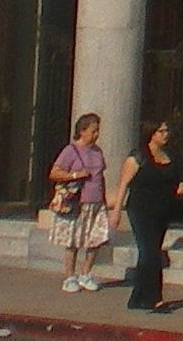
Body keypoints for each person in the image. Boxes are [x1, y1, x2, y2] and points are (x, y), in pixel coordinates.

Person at [111, 119, 183, 312]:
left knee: (149, 253)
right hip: (140, 210)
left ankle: (137, 298)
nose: (165, 134)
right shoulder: (138, 157)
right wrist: (116, 212)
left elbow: (179, 179)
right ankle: (155, 298)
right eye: (161, 131)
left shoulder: (171, 156)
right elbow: (123, 185)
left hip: (162, 211)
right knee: (151, 253)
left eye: (166, 130)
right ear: (151, 134)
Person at [46, 113, 111, 292]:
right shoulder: (70, 151)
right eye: (93, 131)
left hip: (96, 202)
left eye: (97, 131)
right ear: (82, 131)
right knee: (73, 241)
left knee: (95, 239)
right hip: (78, 203)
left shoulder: (98, 152)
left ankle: (86, 273)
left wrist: (105, 200)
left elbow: (101, 177)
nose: (96, 135)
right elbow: (54, 173)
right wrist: (75, 175)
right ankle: (69, 276)